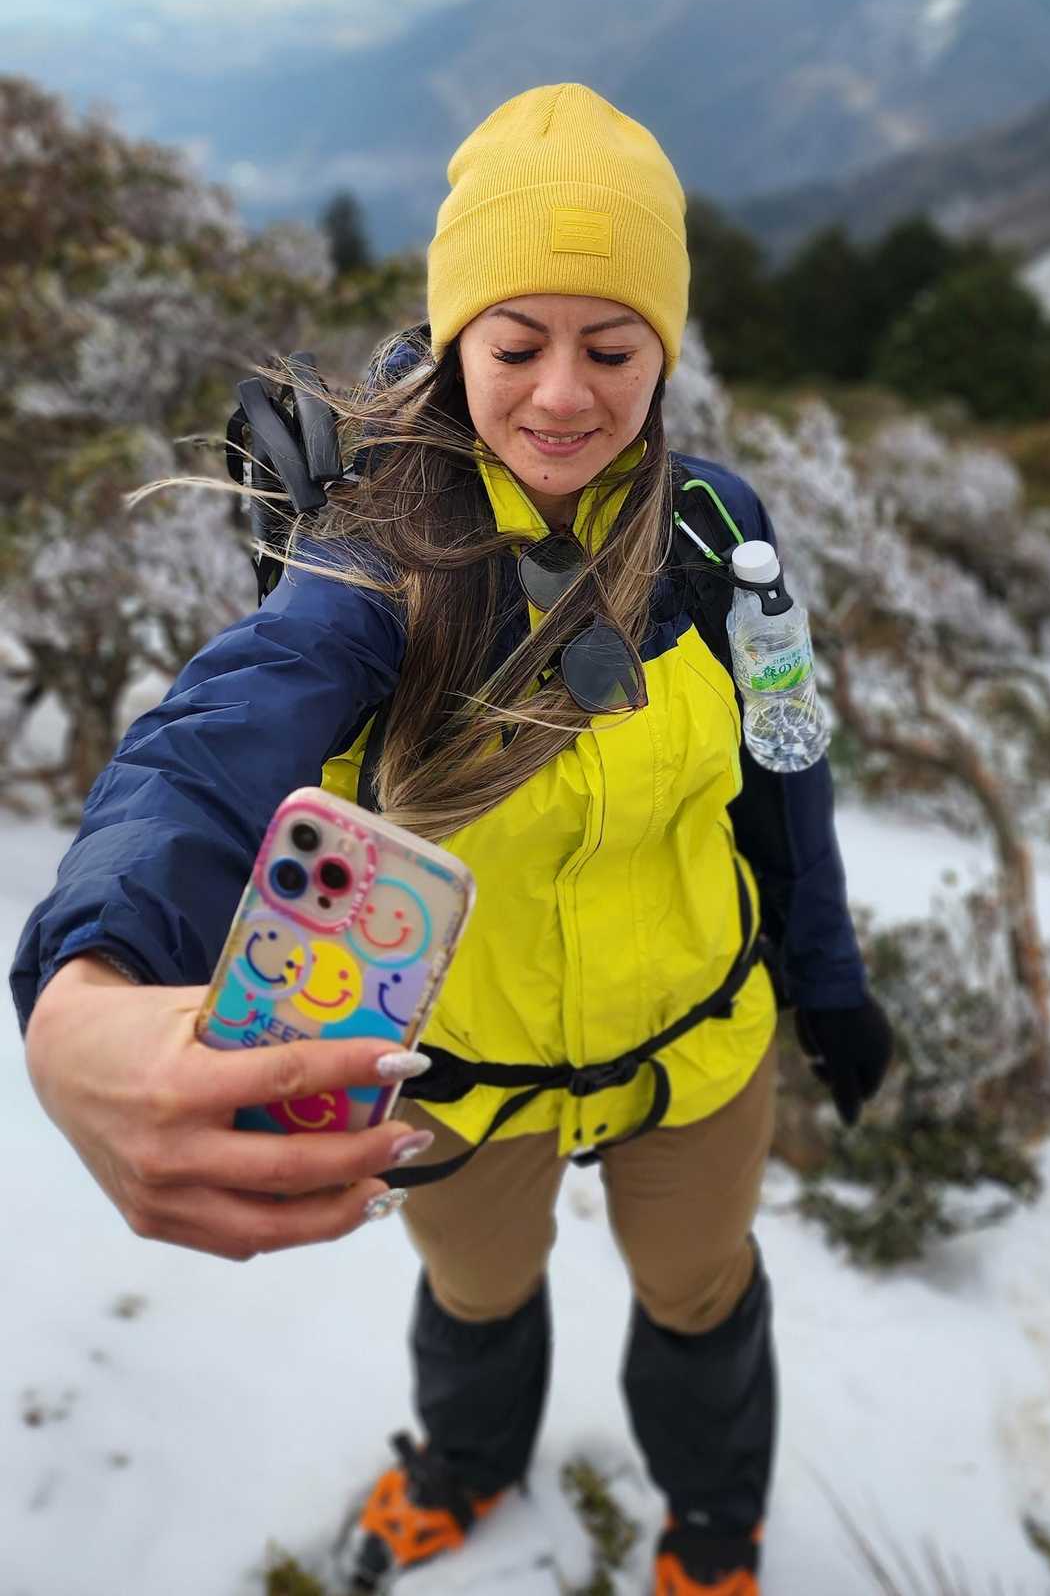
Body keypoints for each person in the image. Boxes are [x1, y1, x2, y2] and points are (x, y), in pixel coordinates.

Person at [12, 83, 892, 1596]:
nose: (563, 394)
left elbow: (782, 784)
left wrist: (832, 980)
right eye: (516, 342)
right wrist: (84, 978)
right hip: (464, 1074)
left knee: (699, 1293)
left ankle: (711, 1528)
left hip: (696, 1041)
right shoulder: (380, 559)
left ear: (666, 352)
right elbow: (208, 752)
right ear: (456, 336)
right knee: (477, 1292)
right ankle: (466, 1464)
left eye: (612, 347)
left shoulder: (715, 537)